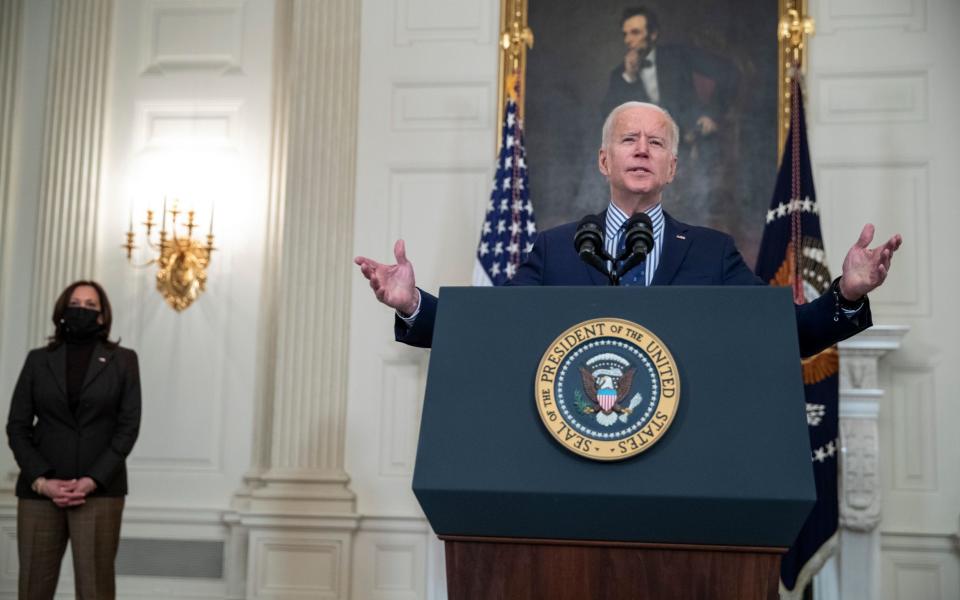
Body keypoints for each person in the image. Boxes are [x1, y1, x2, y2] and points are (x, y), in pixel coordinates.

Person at [355, 102, 902, 356]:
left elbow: (782, 335)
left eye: (657, 142)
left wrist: (848, 294)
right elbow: (495, 330)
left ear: (672, 168)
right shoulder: (555, 249)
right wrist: (413, 305)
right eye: (628, 139)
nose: (642, 149)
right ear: (603, 161)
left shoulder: (712, 254)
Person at [6, 280, 141, 600]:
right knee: (32, 590)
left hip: (99, 492)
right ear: (63, 311)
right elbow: (17, 426)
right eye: (76, 304)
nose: (82, 310)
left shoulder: (123, 360)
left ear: (102, 316)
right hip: (40, 492)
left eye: (91, 306)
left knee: (96, 590)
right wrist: (41, 480)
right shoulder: (38, 360)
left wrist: (93, 479)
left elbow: (128, 427)